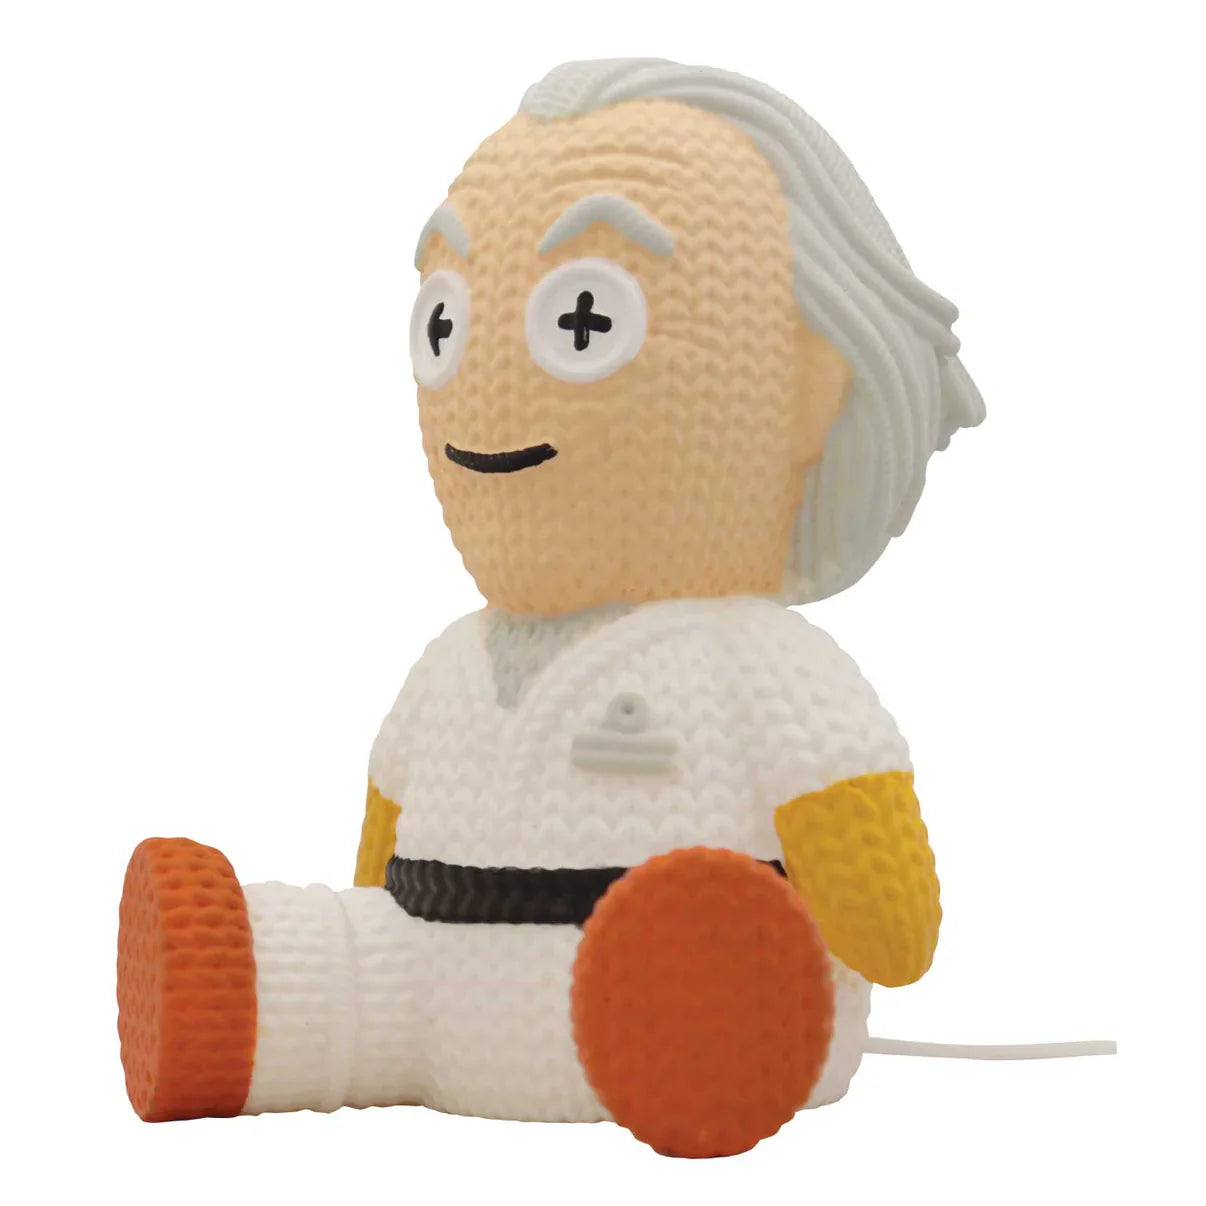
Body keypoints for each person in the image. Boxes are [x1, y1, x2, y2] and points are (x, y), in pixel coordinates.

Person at [117, 58, 983, 1158]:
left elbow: (891, 927)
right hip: (429, 1008)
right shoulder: (449, 665)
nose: (484, 384)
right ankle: (226, 999)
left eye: (583, 321)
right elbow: (379, 870)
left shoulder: (767, 672)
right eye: (446, 323)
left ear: (809, 387)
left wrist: (847, 923)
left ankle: (720, 1033)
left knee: (688, 988)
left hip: (687, 1014)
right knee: (345, 973)